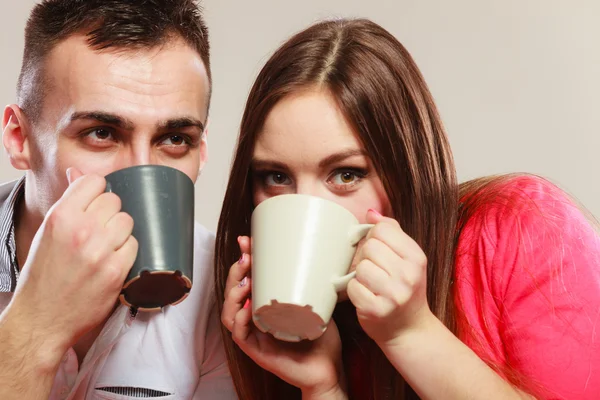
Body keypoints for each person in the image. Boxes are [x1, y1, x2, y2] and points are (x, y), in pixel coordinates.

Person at [216, 18, 600, 400]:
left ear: (405, 173)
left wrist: (411, 331)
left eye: (346, 174)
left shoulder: (521, 229)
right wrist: (323, 387)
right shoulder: (303, 340)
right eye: (276, 177)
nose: (308, 206)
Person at [0, 1, 235, 399]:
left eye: (175, 139)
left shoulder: (222, 289)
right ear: (20, 139)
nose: (141, 169)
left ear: (203, 150)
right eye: (102, 133)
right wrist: (36, 328)